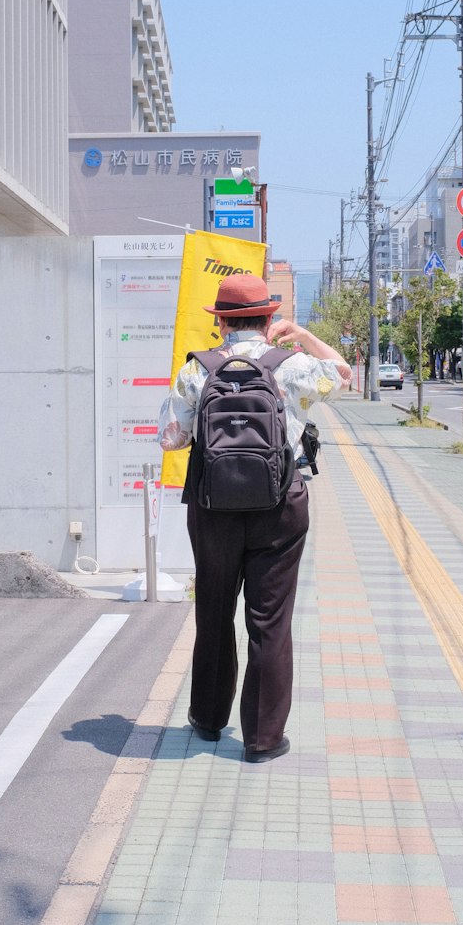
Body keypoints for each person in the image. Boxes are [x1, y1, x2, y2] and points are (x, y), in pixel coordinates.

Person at [158, 274, 350, 763]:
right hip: (279, 507)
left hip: (211, 508)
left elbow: (171, 439)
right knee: (269, 621)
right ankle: (263, 739)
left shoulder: (197, 371)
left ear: (220, 321)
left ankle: (206, 719)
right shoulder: (294, 366)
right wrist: (301, 335)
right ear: (269, 320)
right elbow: (345, 373)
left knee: (214, 612)